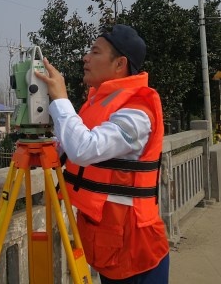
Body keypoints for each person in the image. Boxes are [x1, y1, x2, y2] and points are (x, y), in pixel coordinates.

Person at [35, 24, 169, 283]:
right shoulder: (98, 103)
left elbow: (85, 149)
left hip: (137, 253)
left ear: (120, 64)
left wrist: (61, 99)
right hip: (109, 246)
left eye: (95, 52)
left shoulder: (138, 111)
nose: (85, 57)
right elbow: (70, 148)